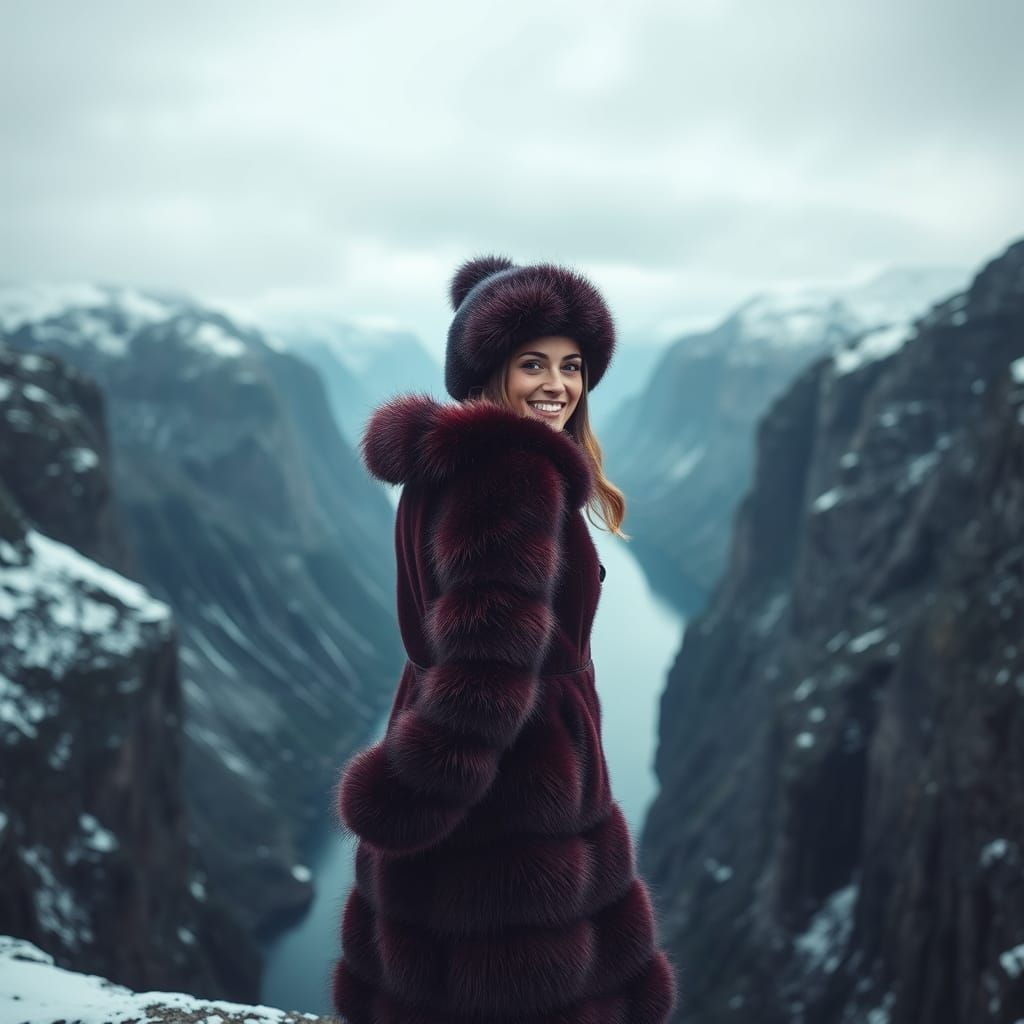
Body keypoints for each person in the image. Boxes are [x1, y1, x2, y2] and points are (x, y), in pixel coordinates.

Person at [332, 255, 676, 1024]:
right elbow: (488, 664)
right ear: (487, 368)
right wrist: (413, 792)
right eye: (533, 364)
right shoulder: (515, 475)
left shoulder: (443, 466)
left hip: (471, 760)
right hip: (519, 790)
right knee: (523, 985)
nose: (559, 385)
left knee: (438, 979)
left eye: (573, 366)